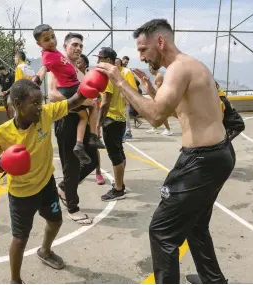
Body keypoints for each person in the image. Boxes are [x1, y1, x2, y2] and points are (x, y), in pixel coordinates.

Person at [96, 18, 235, 283]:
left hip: (202, 161)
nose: (140, 56)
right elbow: (179, 110)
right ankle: (213, 280)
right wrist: (150, 90)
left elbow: (157, 117)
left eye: (143, 49)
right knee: (195, 224)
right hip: (218, 154)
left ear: (160, 42)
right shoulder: (190, 65)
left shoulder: (177, 69)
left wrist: (120, 82)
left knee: (162, 231)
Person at [0, 79, 89, 284]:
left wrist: (91, 83)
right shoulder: (2, 133)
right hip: (21, 194)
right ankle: (15, 281)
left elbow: (74, 101)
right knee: (20, 239)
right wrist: (2, 164)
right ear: (17, 104)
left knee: (55, 221)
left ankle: (45, 251)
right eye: (34, 103)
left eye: (41, 102)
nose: (40, 108)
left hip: (46, 184)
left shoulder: (46, 114)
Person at [32, 24, 105, 164]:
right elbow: (43, 71)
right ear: (39, 43)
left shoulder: (57, 55)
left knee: (84, 116)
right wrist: (34, 84)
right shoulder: (48, 57)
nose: (52, 41)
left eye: (53, 37)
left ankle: (80, 144)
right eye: (47, 39)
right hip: (70, 92)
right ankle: (93, 137)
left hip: (72, 90)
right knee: (93, 106)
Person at [48, 32, 98, 225]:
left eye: (81, 46)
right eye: (74, 45)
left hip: (83, 121)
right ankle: (72, 208)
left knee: (92, 160)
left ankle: (63, 188)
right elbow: (52, 95)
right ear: (65, 47)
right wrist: (74, 104)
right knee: (72, 164)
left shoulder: (79, 72)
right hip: (66, 120)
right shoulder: (56, 69)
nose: (78, 48)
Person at [96, 49, 127, 202]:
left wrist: (98, 123)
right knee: (120, 152)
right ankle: (120, 183)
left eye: (100, 59)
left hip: (111, 120)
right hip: (121, 119)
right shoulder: (120, 72)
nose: (98, 62)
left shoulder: (108, 76)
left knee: (115, 155)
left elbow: (105, 102)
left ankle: (118, 189)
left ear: (108, 60)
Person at [77, 54, 105, 185]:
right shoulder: (74, 76)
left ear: (85, 64)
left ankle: (98, 172)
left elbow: (98, 97)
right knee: (79, 147)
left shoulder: (91, 76)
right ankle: (80, 172)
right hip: (79, 117)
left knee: (94, 148)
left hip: (91, 118)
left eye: (80, 61)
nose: (77, 63)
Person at [114, 58, 138, 141]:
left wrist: (129, 98)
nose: (115, 65)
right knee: (118, 117)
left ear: (120, 64)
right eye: (114, 63)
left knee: (125, 116)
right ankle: (120, 133)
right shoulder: (113, 72)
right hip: (115, 100)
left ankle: (128, 132)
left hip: (124, 99)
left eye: (117, 63)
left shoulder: (126, 71)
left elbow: (133, 87)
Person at [147, 65, 173, 136]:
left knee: (162, 114)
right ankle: (154, 127)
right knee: (155, 113)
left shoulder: (159, 76)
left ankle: (168, 130)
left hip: (161, 98)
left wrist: (149, 88)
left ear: (154, 68)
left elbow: (158, 90)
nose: (150, 72)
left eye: (150, 70)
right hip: (159, 97)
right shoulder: (157, 76)